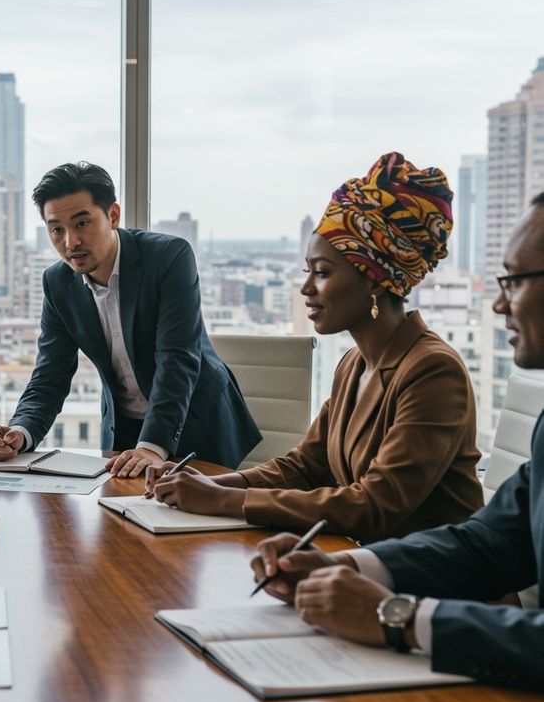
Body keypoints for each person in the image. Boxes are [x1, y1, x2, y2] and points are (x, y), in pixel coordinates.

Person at [248, 194, 544, 692]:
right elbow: (484, 543)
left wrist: (397, 616)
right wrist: (341, 565)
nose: (497, 303)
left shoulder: (431, 366)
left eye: (514, 281)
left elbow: (378, 505)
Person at [148, 152, 482, 543]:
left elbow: (375, 505)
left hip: (436, 586)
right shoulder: (354, 364)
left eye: (322, 273)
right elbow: (307, 466)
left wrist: (226, 500)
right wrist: (215, 482)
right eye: (307, 272)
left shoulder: (432, 372)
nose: (306, 289)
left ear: (375, 279)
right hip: (361, 563)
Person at [0, 161, 260, 476]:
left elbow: (177, 359)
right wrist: (20, 432)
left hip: (196, 426)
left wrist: (151, 447)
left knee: (195, 518)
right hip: (122, 436)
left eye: (82, 223)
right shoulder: (58, 282)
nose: (70, 242)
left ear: (113, 215)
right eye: (56, 229)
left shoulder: (169, 257)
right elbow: (50, 374)